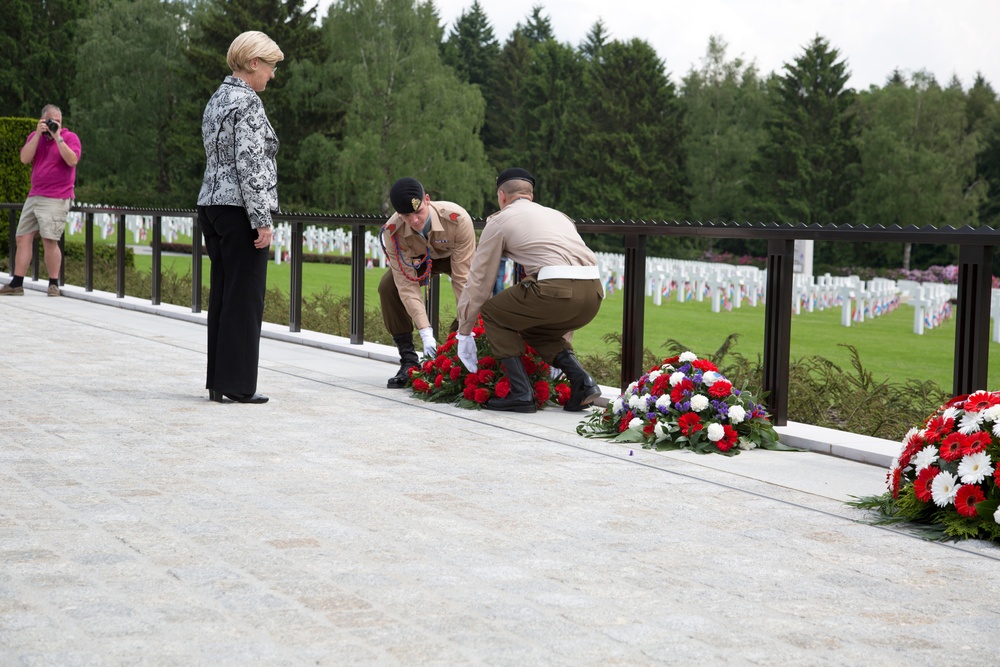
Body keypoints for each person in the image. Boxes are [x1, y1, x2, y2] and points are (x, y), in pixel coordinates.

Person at [455, 168, 603, 413]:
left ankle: (521, 393)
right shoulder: (560, 216)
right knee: (534, 327)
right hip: (594, 295)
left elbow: (480, 282)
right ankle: (583, 382)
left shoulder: (500, 221)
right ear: (530, 196)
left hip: (556, 290)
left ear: (502, 195)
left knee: (492, 311)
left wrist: (464, 331)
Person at [196, 31, 283, 404]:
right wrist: (261, 218)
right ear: (253, 63)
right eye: (271, 67)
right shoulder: (247, 102)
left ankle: (219, 381)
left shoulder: (217, 98)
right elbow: (249, 164)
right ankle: (239, 384)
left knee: (223, 295)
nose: (272, 76)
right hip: (239, 210)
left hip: (212, 206)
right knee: (245, 297)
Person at [379, 177, 476, 388]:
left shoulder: (457, 219)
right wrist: (425, 332)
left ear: (428, 200)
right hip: (420, 262)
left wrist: (466, 329)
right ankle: (408, 360)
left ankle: (455, 351)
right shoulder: (392, 231)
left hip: (454, 260)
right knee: (388, 287)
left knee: (475, 292)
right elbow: (406, 284)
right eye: (406, 216)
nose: (414, 220)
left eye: (418, 212)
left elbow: (463, 280)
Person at [0, 105, 81, 297]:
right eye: (51, 121)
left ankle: (53, 284)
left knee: (49, 239)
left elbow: (72, 160)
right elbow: (24, 159)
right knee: (23, 237)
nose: (55, 124)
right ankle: (17, 283)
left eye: (58, 121)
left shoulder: (69, 138)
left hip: (57, 196)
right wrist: (37, 135)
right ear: (42, 120)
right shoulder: (34, 137)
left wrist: (57, 137)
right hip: (35, 194)